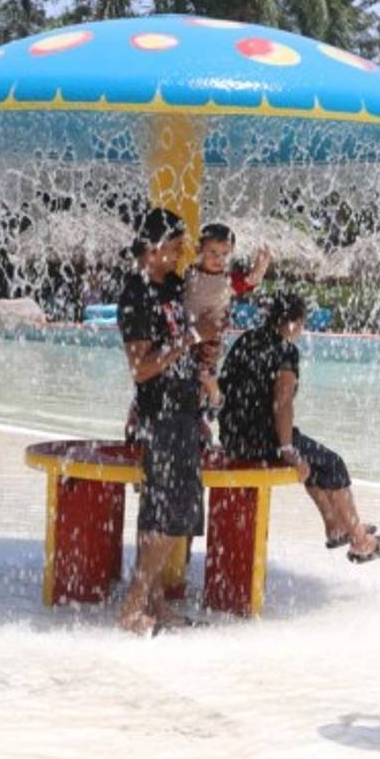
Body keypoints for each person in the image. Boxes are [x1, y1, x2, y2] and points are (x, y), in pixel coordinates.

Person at [219, 292, 380, 562]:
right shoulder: (285, 350)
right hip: (262, 441)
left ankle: (335, 526)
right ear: (293, 322)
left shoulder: (247, 339)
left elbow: (225, 388)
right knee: (333, 463)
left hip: (233, 437)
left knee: (313, 459)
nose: (301, 329)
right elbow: (283, 402)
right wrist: (288, 450)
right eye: (301, 322)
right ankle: (361, 540)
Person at [116, 208, 221, 635]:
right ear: (153, 247)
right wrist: (192, 337)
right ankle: (131, 608)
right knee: (168, 513)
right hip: (158, 414)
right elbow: (141, 369)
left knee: (166, 513)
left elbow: (211, 293)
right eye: (175, 248)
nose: (180, 255)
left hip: (183, 412)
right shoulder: (136, 295)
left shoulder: (174, 286)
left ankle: (155, 605)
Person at [184, 223, 271, 414]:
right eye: (213, 252)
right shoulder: (188, 273)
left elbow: (252, 279)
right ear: (199, 250)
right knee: (186, 374)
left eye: (224, 254)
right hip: (188, 331)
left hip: (211, 336)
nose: (219, 259)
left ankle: (211, 400)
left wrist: (261, 265)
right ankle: (202, 406)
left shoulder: (228, 280)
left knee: (204, 371)